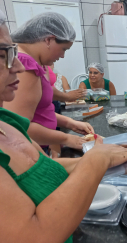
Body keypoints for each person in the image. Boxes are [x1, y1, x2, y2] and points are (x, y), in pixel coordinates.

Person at [0, 11, 127, 243]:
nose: (19, 66)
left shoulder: (7, 123)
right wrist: (94, 161)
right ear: (48, 39)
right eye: (4, 55)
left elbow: (43, 168)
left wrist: (103, 159)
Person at [5, 12, 92, 152]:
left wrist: (69, 123)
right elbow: (18, 127)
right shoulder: (24, 65)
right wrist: (66, 139)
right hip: (28, 150)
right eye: (63, 49)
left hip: (39, 145)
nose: (63, 56)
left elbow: (40, 111)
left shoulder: (38, 61)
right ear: (48, 40)